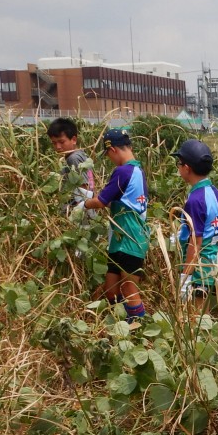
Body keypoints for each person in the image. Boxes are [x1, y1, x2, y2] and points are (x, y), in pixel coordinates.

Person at [83, 128, 149, 321]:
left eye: (108, 155)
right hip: (122, 240)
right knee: (111, 288)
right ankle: (120, 325)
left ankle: (139, 328)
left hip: (130, 238)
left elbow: (101, 201)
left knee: (129, 288)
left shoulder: (123, 171)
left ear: (113, 151)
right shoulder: (138, 171)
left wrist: (83, 204)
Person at [175, 139, 218, 301]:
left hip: (200, 270)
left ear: (187, 168)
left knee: (196, 319)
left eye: (179, 163)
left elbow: (195, 243)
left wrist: (185, 278)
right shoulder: (215, 193)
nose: (178, 167)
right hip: (215, 263)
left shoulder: (196, 200)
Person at [46, 117, 95, 216]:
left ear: (73, 139)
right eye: (54, 143)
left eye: (61, 142)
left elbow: (84, 189)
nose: (58, 147)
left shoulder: (73, 159)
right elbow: (90, 182)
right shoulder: (81, 154)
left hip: (79, 212)